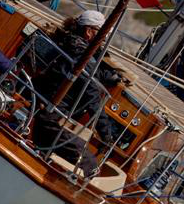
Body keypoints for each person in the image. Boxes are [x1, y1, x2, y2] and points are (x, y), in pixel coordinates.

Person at [30, 10, 125, 176]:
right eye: (102, 35)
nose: (104, 41)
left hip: (41, 105)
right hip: (52, 119)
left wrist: (109, 76)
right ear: (89, 32)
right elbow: (93, 98)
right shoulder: (82, 58)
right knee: (90, 165)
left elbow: (89, 72)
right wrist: (106, 136)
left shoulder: (68, 43)